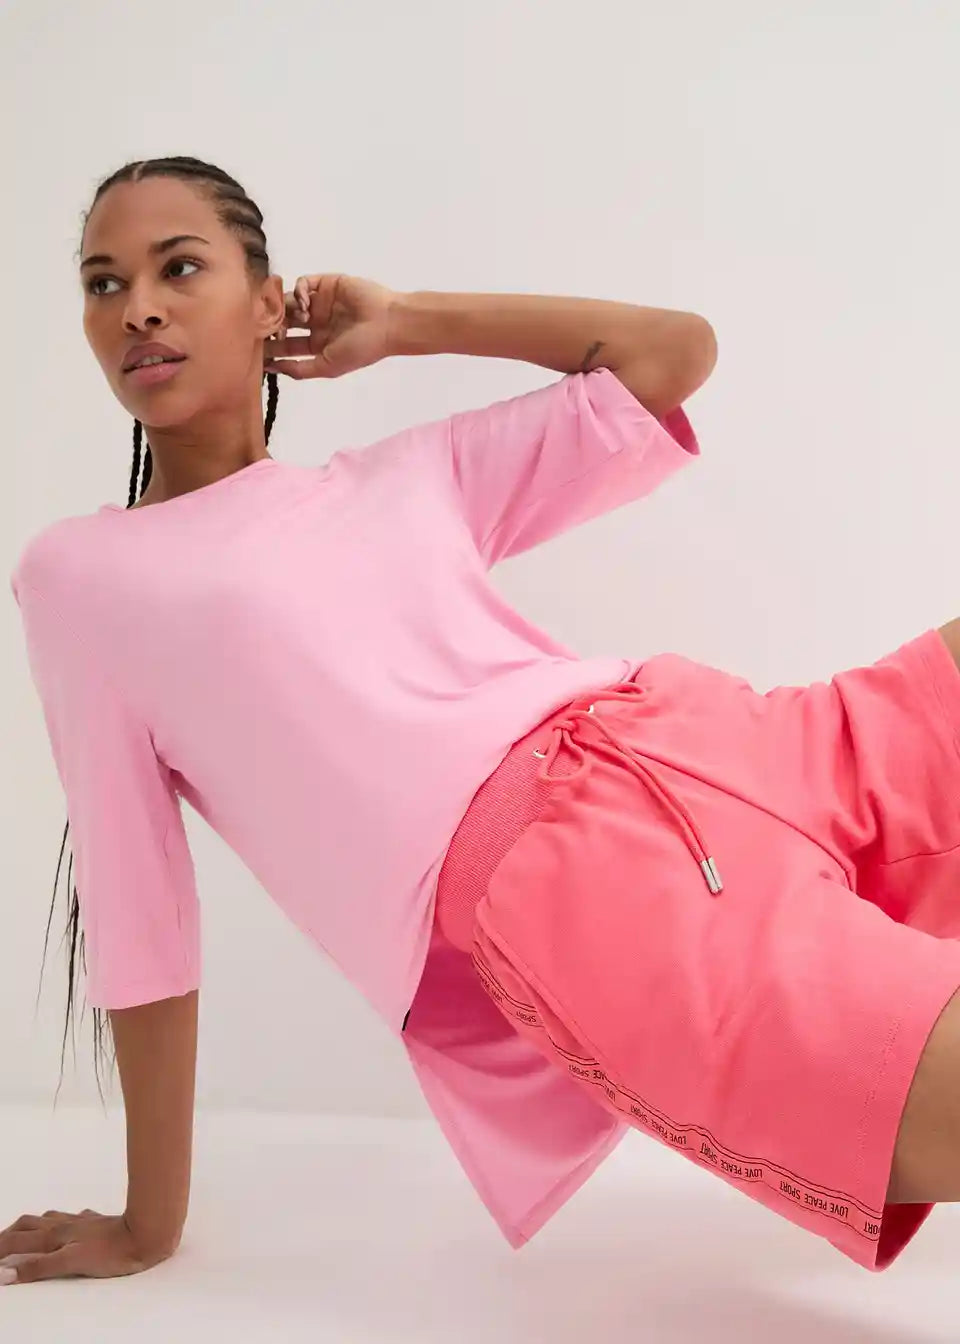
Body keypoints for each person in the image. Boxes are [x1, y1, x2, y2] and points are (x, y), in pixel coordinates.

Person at [3, 154, 960, 1293]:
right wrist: (146, 1223)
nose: (138, 308)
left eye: (179, 268)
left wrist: (406, 322)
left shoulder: (404, 478)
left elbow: (673, 354)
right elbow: (138, 910)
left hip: (723, 737)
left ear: (269, 305)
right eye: (104, 283)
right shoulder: (85, 576)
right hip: (590, 895)